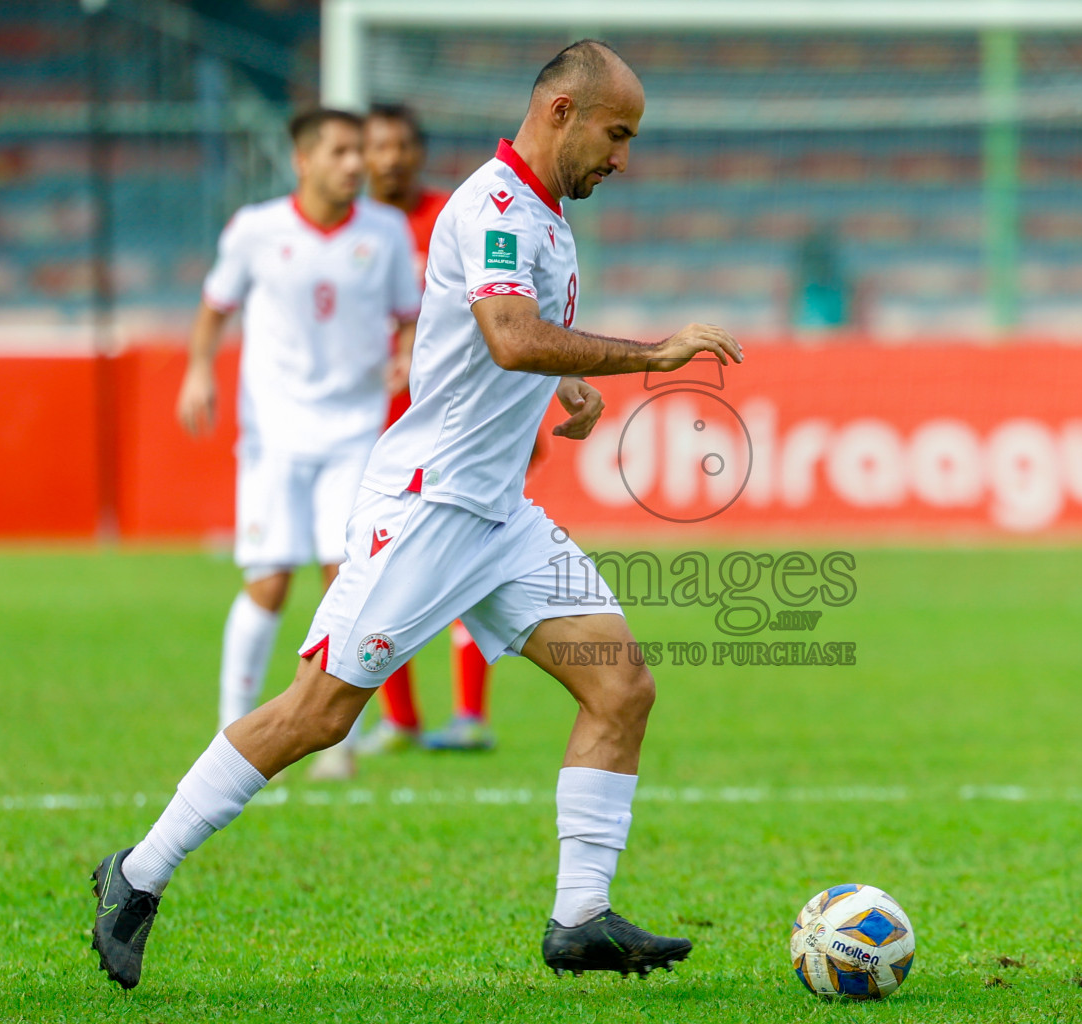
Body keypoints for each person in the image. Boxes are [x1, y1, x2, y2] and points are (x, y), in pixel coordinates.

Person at [89, 39, 742, 990]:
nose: (624, 158)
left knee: (621, 686)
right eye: (617, 133)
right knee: (319, 715)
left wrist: (570, 395)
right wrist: (652, 353)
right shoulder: (498, 206)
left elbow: (497, 349)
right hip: (430, 506)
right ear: (561, 112)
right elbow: (511, 338)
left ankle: (580, 917)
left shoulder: (549, 216)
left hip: (498, 516)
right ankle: (136, 875)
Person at [176, 108, 418, 756]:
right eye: (340, 151)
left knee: (349, 579)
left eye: (358, 152)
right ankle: (231, 730)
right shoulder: (257, 230)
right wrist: (199, 369)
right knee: (270, 581)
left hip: (353, 433)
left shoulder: (387, 231)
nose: (355, 164)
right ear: (303, 160)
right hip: (274, 434)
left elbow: (408, 317)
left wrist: (407, 352)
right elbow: (215, 305)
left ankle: (340, 738)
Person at [353, 102, 498, 759]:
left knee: (463, 557)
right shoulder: (351, 232)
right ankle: (402, 719)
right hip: (368, 427)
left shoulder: (456, 215)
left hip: (454, 421)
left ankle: (470, 713)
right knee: (378, 569)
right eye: (379, 145)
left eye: (403, 144)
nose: (392, 157)